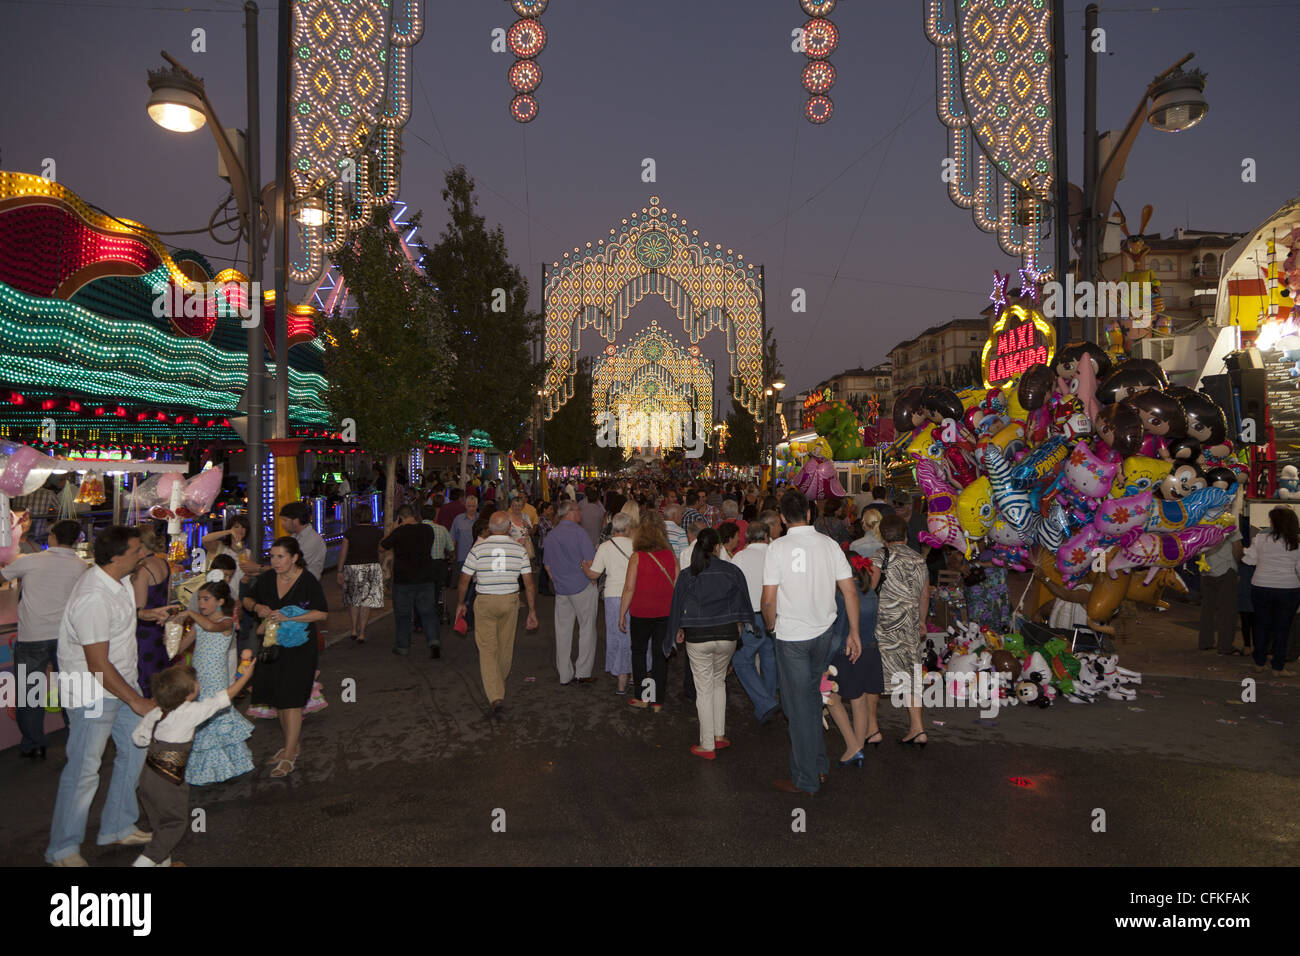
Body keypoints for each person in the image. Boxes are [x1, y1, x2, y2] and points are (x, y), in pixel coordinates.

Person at [46, 525, 169, 866]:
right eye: (135, 551)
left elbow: (118, 620)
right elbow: (97, 664)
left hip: (119, 684)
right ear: (116, 557)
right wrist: (136, 699)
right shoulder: (93, 597)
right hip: (92, 691)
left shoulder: (117, 582)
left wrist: (146, 614)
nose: (142, 554)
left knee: (135, 751)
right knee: (85, 770)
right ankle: (63, 849)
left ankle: (118, 825)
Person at [761, 488, 860, 796]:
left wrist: (770, 624)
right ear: (808, 514)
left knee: (798, 707)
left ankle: (805, 779)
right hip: (824, 634)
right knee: (810, 699)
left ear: (782, 518)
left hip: (792, 637)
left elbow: (768, 599)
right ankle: (818, 765)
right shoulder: (829, 545)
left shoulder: (777, 548)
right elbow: (850, 591)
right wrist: (854, 632)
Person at [130, 658, 255, 866]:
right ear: (190, 692)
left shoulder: (156, 712)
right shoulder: (189, 712)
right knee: (174, 824)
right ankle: (144, 862)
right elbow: (223, 698)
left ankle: (163, 862)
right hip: (169, 782)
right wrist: (246, 677)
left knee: (159, 824)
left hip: (147, 778)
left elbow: (138, 739)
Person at [665, 528, 753, 760]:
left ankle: (707, 745)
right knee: (718, 682)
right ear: (717, 547)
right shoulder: (732, 571)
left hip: (698, 637)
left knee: (703, 689)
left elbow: (677, 605)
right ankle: (719, 735)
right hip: (727, 635)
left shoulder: (687, 575)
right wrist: (740, 629)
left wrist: (678, 629)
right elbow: (742, 603)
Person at [245, 536, 328, 777]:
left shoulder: (307, 581)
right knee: (279, 698)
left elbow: (321, 614)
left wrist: (291, 617)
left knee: (292, 700)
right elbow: (248, 598)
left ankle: (290, 753)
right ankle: (291, 745)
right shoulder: (269, 578)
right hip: (272, 646)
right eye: (272, 556)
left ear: (294, 558)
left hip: (301, 648)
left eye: (280, 556)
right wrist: (257, 608)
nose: (275, 561)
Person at [2, 519, 85, 758]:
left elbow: (2, 576)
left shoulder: (31, 561)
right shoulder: (80, 566)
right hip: (66, 637)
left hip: (32, 637)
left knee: (30, 694)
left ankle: (34, 743)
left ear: (52, 537)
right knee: (71, 690)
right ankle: (77, 740)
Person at [170, 581, 255, 785]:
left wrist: (190, 614)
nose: (201, 603)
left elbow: (211, 626)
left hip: (216, 679)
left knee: (215, 719)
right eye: (199, 599)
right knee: (201, 721)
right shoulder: (200, 623)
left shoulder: (226, 622)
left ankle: (223, 766)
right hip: (198, 680)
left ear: (220, 601)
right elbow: (179, 648)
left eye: (206, 599)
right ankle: (208, 769)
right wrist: (171, 630)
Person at [457, 512, 538, 715]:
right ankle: (497, 682)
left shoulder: (478, 548)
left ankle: (495, 694)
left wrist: (460, 603)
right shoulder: (518, 549)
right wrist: (532, 610)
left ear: (490, 528)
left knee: (487, 648)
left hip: (485, 600)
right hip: (509, 600)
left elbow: (464, 579)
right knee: (505, 646)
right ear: (509, 527)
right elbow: (528, 583)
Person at [874, 514, 931, 744]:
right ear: (905, 534)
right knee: (912, 673)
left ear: (883, 535)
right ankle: (918, 728)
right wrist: (922, 621)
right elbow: (925, 595)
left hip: (885, 624)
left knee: (876, 677)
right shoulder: (919, 559)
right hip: (910, 624)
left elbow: (870, 588)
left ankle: (872, 729)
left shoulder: (880, 556)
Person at [825, 554, 886, 767]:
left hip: (846, 653)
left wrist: (824, 664)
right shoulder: (870, 593)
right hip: (870, 650)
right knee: (859, 701)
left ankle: (853, 746)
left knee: (831, 698)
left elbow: (839, 633)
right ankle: (858, 747)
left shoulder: (842, 596)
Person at [620, 511, 678, 711]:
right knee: (661, 655)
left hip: (641, 612)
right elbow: (677, 587)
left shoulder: (637, 557)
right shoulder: (671, 556)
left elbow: (629, 588)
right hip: (665, 612)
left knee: (639, 653)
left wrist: (621, 613)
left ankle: (643, 696)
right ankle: (658, 701)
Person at [730, 521, 781, 724]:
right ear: (766, 536)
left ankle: (765, 703)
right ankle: (766, 702)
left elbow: (732, 589)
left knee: (742, 661)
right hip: (775, 613)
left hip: (750, 616)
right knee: (769, 657)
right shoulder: (775, 553)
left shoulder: (740, 557)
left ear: (747, 537)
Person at [545, 499, 599, 685]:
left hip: (562, 589)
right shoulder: (579, 533)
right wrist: (593, 580)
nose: (581, 513)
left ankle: (564, 674)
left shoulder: (552, 535)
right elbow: (590, 562)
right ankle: (582, 672)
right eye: (578, 510)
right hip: (582, 585)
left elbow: (547, 566)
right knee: (586, 629)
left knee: (563, 630)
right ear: (570, 512)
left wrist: (557, 580)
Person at [1241, 507, 1300, 676]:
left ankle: (1259, 663)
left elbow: (1249, 560)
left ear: (1274, 522)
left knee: (1261, 626)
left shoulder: (1260, 538)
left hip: (1261, 586)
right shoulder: (1295, 543)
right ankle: (1278, 667)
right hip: (1289, 589)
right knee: (1283, 629)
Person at [584, 512, 635, 693]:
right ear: (628, 528)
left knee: (617, 636)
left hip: (613, 595)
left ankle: (621, 680)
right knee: (634, 635)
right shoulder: (636, 545)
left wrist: (584, 566)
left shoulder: (605, 547)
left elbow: (594, 574)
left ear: (613, 527)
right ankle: (634, 674)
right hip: (634, 595)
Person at [381, 505, 440, 658]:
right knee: (428, 613)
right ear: (415, 515)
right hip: (426, 577)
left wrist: (393, 529)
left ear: (400, 517)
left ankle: (403, 646)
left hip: (403, 580)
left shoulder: (399, 532)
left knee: (403, 615)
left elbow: (382, 546)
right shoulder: (428, 530)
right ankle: (433, 640)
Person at [133, 525, 176, 697]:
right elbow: (167, 598)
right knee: (160, 680)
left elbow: (139, 609)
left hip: (143, 631)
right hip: (160, 627)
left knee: (144, 680)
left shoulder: (142, 569)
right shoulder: (163, 563)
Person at [337, 504, 384, 644]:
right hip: (372, 566)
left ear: (356, 516)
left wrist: (339, 570)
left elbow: (343, 553)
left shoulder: (349, 532)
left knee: (354, 601)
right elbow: (380, 552)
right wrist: (381, 566)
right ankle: (362, 632)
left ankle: (353, 629)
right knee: (366, 602)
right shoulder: (378, 532)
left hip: (352, 567)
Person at [1199, 526, 1244, 654]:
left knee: (1207, 609)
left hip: (1206, 570)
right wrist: (1238, 564)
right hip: (1226, 569)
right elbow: (1237, 548)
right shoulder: (1228, 524)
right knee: (1227, 612)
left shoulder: (1201, 523)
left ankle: (1205, 642)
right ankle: (1225, 646)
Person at [279, 502, 326, 581]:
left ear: (296, 521)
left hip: (304, 585)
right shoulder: (295, 536)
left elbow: (293, 566)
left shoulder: (312, 540)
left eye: (285, 520)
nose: (282, 524)